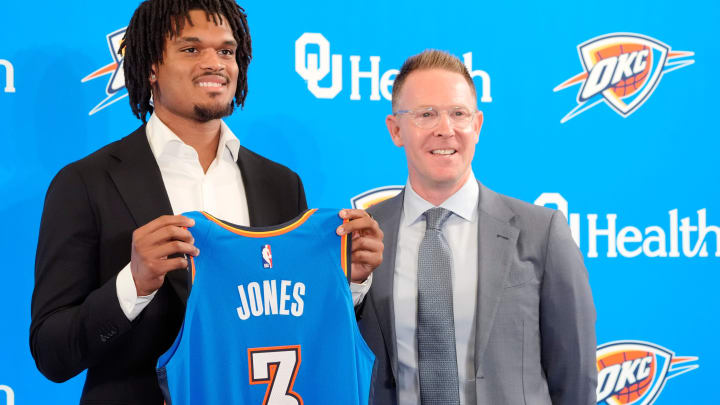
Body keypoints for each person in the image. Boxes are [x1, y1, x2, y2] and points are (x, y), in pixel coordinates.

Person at [29, 1, 382, 404]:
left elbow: (298, 324)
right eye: (191, 49)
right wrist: (133, 285)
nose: (214, 63)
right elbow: (51, 353)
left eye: (226, 51)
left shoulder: (281, 184)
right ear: (151, 67)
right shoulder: (84, 183)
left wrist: (348, 283)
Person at [356, 50, 596, 405]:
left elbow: (575, 381)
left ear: (477, 125)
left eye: (458, 114)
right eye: (426, 114)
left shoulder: (542, 232)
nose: (445, 129)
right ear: (395, 130)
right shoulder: (364, 237)